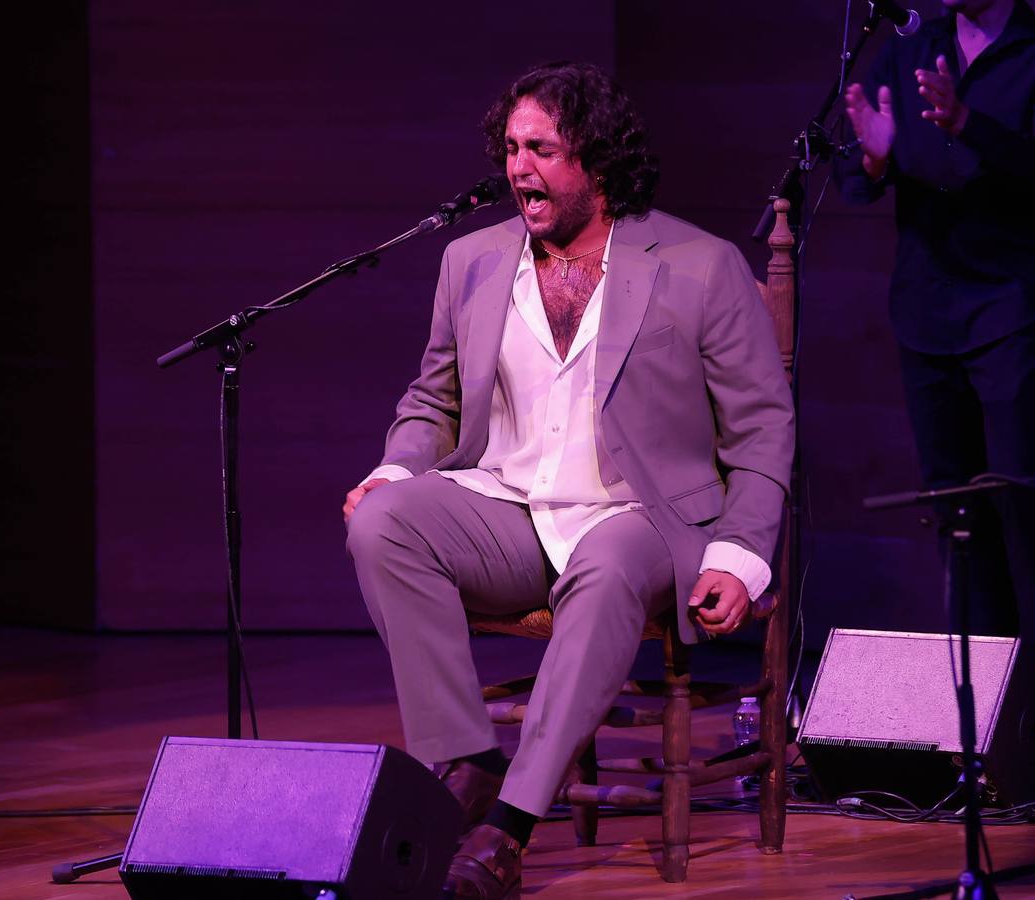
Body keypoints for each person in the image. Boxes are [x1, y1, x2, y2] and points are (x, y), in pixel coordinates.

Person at [343, 61, 794, 898]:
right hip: (510, 508)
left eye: (541, 149)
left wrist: (741, 553)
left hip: (643, 517)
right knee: (383, 523)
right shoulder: (471, 262)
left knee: (609, 561)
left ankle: (509, 828)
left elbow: (763, 426)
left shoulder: (699, 264)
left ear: (594, 157)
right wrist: (394, 467)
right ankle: (468, 759)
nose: (519, 168)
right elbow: (431, 398)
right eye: (511, 148)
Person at [839, 0, 1034, 643]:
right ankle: (979, 705)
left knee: (1020, 504)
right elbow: (855, 177)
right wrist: (874, 158)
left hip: (1011, 308)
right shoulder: (910, 46)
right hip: (926, 311)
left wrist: (968, 121)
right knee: (954, 511)